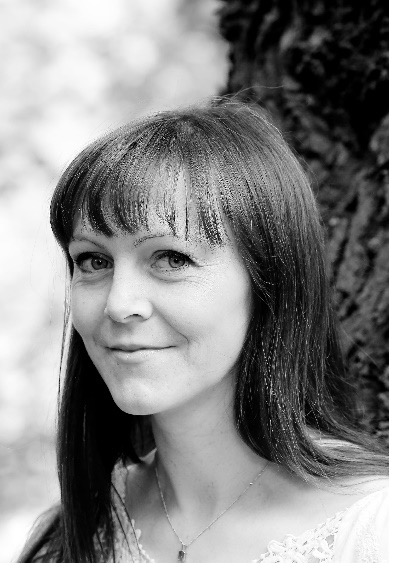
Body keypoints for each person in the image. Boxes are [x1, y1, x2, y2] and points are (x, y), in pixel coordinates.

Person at [19, 99, 388, 563]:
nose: (119, 304)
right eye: (95, 261)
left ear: (269, 282)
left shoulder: (373, 530)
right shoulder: (69, 535)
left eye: (171, 258)